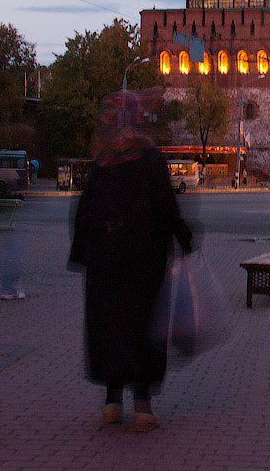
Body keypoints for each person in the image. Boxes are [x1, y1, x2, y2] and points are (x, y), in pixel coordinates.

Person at [69, 91, 194, 431]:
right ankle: (141, 405)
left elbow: (84, 212)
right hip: (144, 260)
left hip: (104, 263)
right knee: (142, 327)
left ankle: (112, 402)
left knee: (108, 326)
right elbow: (166, 206)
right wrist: (185, 239)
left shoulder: (101, 161)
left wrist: (83, 254)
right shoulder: (148, 158)